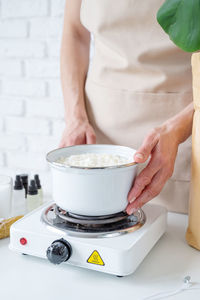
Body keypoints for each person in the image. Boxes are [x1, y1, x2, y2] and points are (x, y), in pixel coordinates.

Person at [59, 0, 194, 215]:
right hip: (100, 130)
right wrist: (75, 117)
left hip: (185, 128)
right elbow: (75, 31)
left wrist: (180, 129)